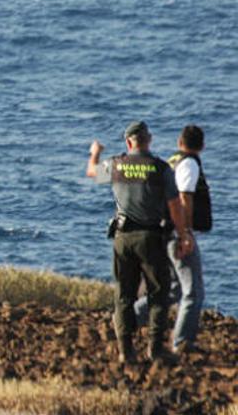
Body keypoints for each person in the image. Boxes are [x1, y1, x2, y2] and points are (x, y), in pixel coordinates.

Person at [86, 121, 193, 364]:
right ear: (149, 140)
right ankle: (155, 349)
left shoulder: (116, 165)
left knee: (124, 294)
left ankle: (126, 350)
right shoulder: (160, 169)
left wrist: (95, 152)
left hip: (123, 238)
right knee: (158, 292)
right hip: (151, 238)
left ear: (128, 142)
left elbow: (91, 171)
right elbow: (175, 206)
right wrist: (183, 235)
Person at [133, 125, 210, 354]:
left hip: (163, 232)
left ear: (179, 142)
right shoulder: (189, 164)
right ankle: (182, 342)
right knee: (193, 291)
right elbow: (184, 198)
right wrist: (184, 234)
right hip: (176, 234)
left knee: (172, 290)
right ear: (202, 146)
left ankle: (129, 318)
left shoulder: (172, 161)